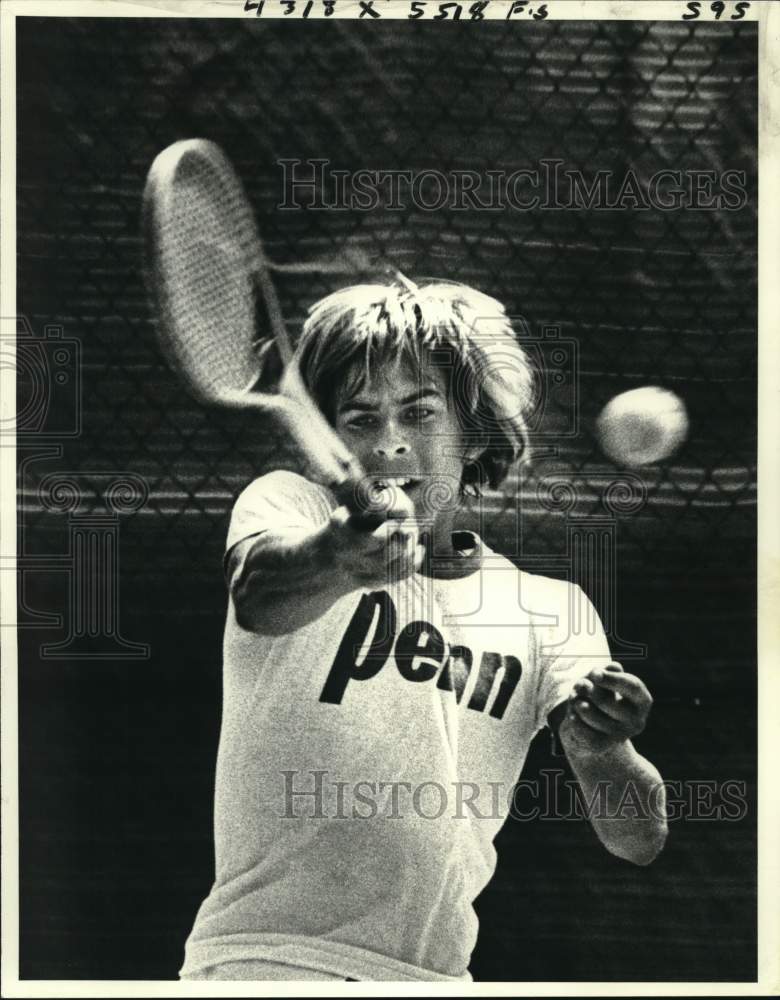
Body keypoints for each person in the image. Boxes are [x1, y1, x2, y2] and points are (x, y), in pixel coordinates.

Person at [178, 278, 668, 983]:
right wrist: (337, 556)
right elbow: (259, 594)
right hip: (265, 962)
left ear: (472, 433)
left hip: (436, 979)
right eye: (360, 418)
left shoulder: (550, 610)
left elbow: (638, 838)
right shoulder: (290, 506)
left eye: (419, 412)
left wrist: (601, 749)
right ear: (328, 438)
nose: (392, 443)